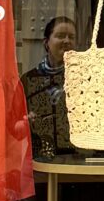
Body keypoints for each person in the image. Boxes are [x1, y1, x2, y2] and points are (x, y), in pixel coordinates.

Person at [22, 15, 77, 161]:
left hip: (79, 161)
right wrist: (25, 122)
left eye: (71, 37)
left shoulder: (84, 78)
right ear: (46, 43)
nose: (67, 41)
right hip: (40, 161)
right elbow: (12, 124)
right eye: (60, 36)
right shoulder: (28, 80)